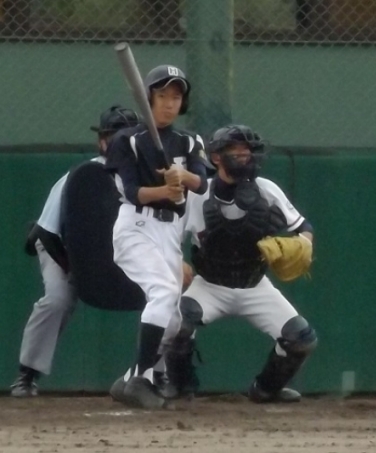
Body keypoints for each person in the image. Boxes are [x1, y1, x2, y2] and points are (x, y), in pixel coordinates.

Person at [162, 124, 318, 403]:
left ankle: (266, 389)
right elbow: (169, 236)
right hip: (210, 285)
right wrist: (177, 261)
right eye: (236, 150)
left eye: (248, 151)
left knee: (301, 340)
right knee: (175, 325)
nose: (245, 156)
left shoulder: (266, 189)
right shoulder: (198, 194)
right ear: (216, 157)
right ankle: (180, 386)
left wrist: (304, 244)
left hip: (255, 284)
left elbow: (303, 227)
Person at [10, 105, 141, 397]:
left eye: (128, 138)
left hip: (118, 253)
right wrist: (76, 270)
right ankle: (26, 375)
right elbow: (46, 232)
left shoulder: (144, 178)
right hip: (60, 248)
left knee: (162, 297)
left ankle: (159, 375)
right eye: (114, 137)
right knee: (58, 299)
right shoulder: (84, 175)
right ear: (102, 142)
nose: (121, 144)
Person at [105, 64, 209, 409]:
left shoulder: (189, 141)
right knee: (163, 291)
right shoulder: (127, 140)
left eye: (176, 96)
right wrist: (164, 190)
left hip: (168, 232)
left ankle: (130, 380)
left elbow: (201, 182)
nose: (169, 103)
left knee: (174, 318)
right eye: (162, 95)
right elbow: (131, 192)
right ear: (148, 98)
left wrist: (182, 176)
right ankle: (141, 377)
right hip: (136, 226)